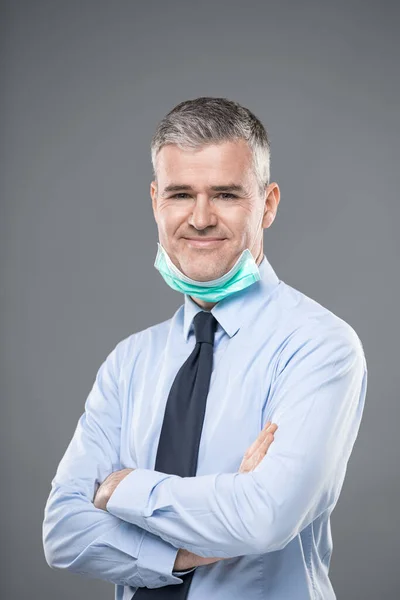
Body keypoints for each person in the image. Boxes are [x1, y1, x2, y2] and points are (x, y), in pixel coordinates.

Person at [42, 97, 368, 599]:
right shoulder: (128, 363)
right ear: (155, 202)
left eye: (225, 194)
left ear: (269, 203)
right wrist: (199, 543)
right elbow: (63, 532)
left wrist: (121, 489)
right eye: (179, 194)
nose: (199, 218)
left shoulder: (318, 346)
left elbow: (264, 518)